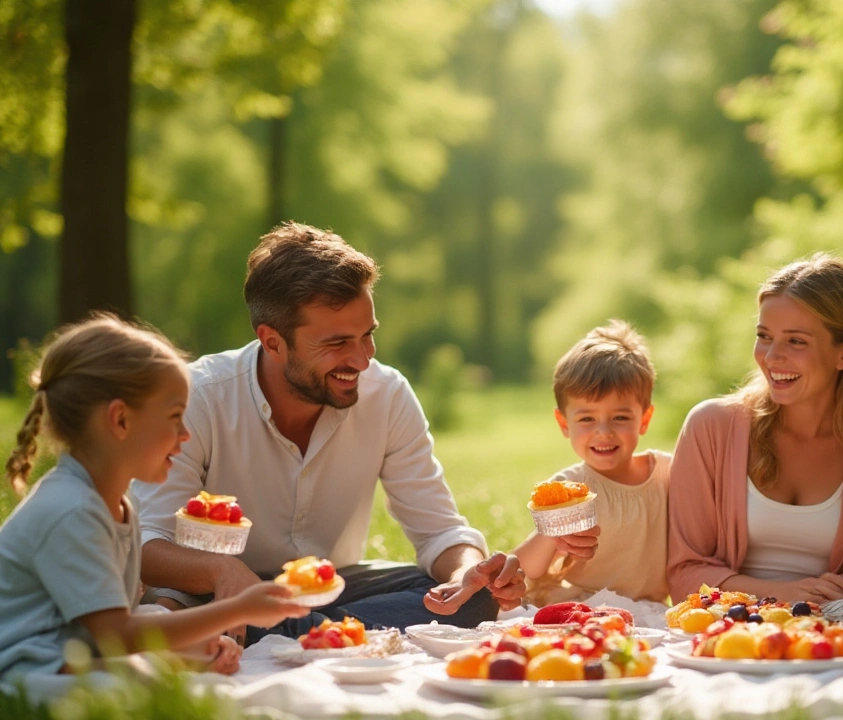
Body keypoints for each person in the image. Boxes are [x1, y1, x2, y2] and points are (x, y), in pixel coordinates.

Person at [131, 222, 523, 644]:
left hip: (332, 586)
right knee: (172, 602)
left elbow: (439, 531)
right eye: (337, 343)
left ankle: (273, 633)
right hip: (214, 591)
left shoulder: (387, 394)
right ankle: (319, 631)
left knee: (474, 602)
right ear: (273, 342)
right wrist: (222, 571)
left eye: (367, 336)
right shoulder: (199, 398)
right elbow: (145, 544)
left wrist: (469, 572)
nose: (361, 360)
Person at [0, 316, 307, 684]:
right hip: (25, 672)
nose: (185, 434)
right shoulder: (72, 510)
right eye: (175, 417)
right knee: (143, 681)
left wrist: (195, 645)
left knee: (164, 639)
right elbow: (117, 635)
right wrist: (233, 610)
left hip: (73, 653)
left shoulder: (116, 504)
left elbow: (116, 625)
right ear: (120, 420)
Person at [667, 253, 843, 603]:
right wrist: (780, 596)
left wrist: (813, 611)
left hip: (836, 632)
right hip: (728, 636)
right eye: (764, 336)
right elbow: (685, 573)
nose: (771, 357)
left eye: (796, 341)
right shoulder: (710, 427)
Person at [515, 320, 669, 605]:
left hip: (648, 613)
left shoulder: (667, 476)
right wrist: (552, 535)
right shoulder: (568, 489)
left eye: (620, 418)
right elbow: (524, 568)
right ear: (564, 423)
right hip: (577, 607)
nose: (603, 432)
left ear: (644, 420)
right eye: (587, 419)